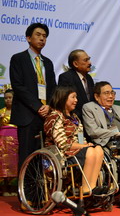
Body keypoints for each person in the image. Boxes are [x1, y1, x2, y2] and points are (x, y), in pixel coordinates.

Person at [9, 23, 57, 170]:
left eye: (44, 36)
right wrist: (38, 107)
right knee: (27, 156)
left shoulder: (47, 63)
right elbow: (18, 86)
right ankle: (25, 192)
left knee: (44, 156)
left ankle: (40, 192)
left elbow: (53, 88)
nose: (42, 38)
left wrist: (49, 105)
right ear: (28, 38)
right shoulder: (18, 59)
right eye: (38, 35)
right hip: (27, 114)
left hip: (45, 115)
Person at [44, 86, 104, 195]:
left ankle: (92, 186)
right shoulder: (54, 116)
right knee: (90, 151)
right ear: (63, 98)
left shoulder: (74, 117)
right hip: (62, 155)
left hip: (76, 151)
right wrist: (83, 147)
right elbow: (63, 144)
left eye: (76, 97)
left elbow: (80, 137)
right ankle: (86, 189)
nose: (76, 100)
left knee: (98, 149)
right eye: (73, 97)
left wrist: (85, 144)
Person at [58, 49, 94, 123]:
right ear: (75, 64)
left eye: (89, 59)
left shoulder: (89, 78)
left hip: (90, 122)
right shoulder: (66, 77)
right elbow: (66, 103)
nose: (90, 63)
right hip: (75, 121)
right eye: (85, 60)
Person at [0, 89, 18, 196]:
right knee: (2, 163)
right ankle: (4, 188)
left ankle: (14, 188)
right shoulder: (1, 111)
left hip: (15, 140)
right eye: (6, 98)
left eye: (10, 97)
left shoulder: (18, 112)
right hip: (2, 140)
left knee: (14, 163)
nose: (7, 100)